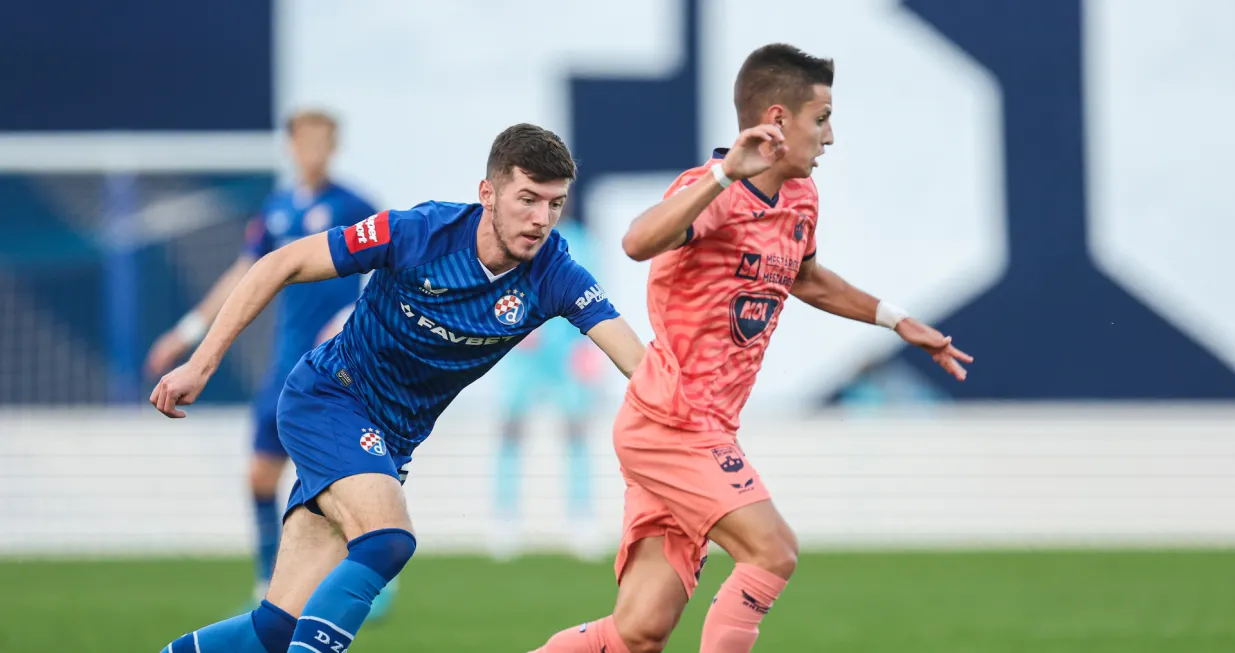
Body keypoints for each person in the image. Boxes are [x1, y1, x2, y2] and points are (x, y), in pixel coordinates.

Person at [529, 43, 972, 653]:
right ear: (779, 120)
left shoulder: (801, 200)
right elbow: (636, 241)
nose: (831, 136)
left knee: (638, 632)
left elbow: (807, 278)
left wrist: (895, 320)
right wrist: (723, 174)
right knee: (774, 551)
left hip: (698, 428)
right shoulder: (714, 192)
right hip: (674, 422)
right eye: (822, 119)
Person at [150, 123, 645, 653]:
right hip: (330, 396)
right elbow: (282, 261)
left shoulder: (555, 273)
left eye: (555, 204)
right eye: (528, 199)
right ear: (487, 193)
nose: (541, 219)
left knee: (275, 629)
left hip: (390, 440)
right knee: (388, 540)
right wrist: (201, 363)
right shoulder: (419, 233)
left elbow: (641, 366)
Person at [143, 109, 401, 616]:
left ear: (334, 146)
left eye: (323, 142)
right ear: (291, 146)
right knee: (261, 476)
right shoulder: (278, 207)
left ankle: (370, 578)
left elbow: (390, 270)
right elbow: (246, 273)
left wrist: (354, 316)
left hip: (340, 367)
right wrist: (187, 334)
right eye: (305, 142)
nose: (314, 152)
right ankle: (268, 579)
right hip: (285, 364)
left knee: (338, 476)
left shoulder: (355, 204)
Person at [492, 212, 606, 560]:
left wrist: (590, 346)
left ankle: (581, 515)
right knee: (511, 430)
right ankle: (504, 515)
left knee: (576, 431)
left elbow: (594, 292)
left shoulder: (582, 241)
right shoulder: (517, 237)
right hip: (524, 347)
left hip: (566, 348)